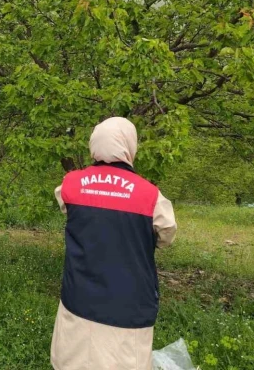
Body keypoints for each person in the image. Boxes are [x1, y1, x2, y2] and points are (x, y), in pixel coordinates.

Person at [51, 117, 177, 370]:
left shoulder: (70, 184)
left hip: (79, 298)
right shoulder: (151, 195)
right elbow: (166, 235)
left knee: (73, 359)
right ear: (130, 145)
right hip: (128, 303)